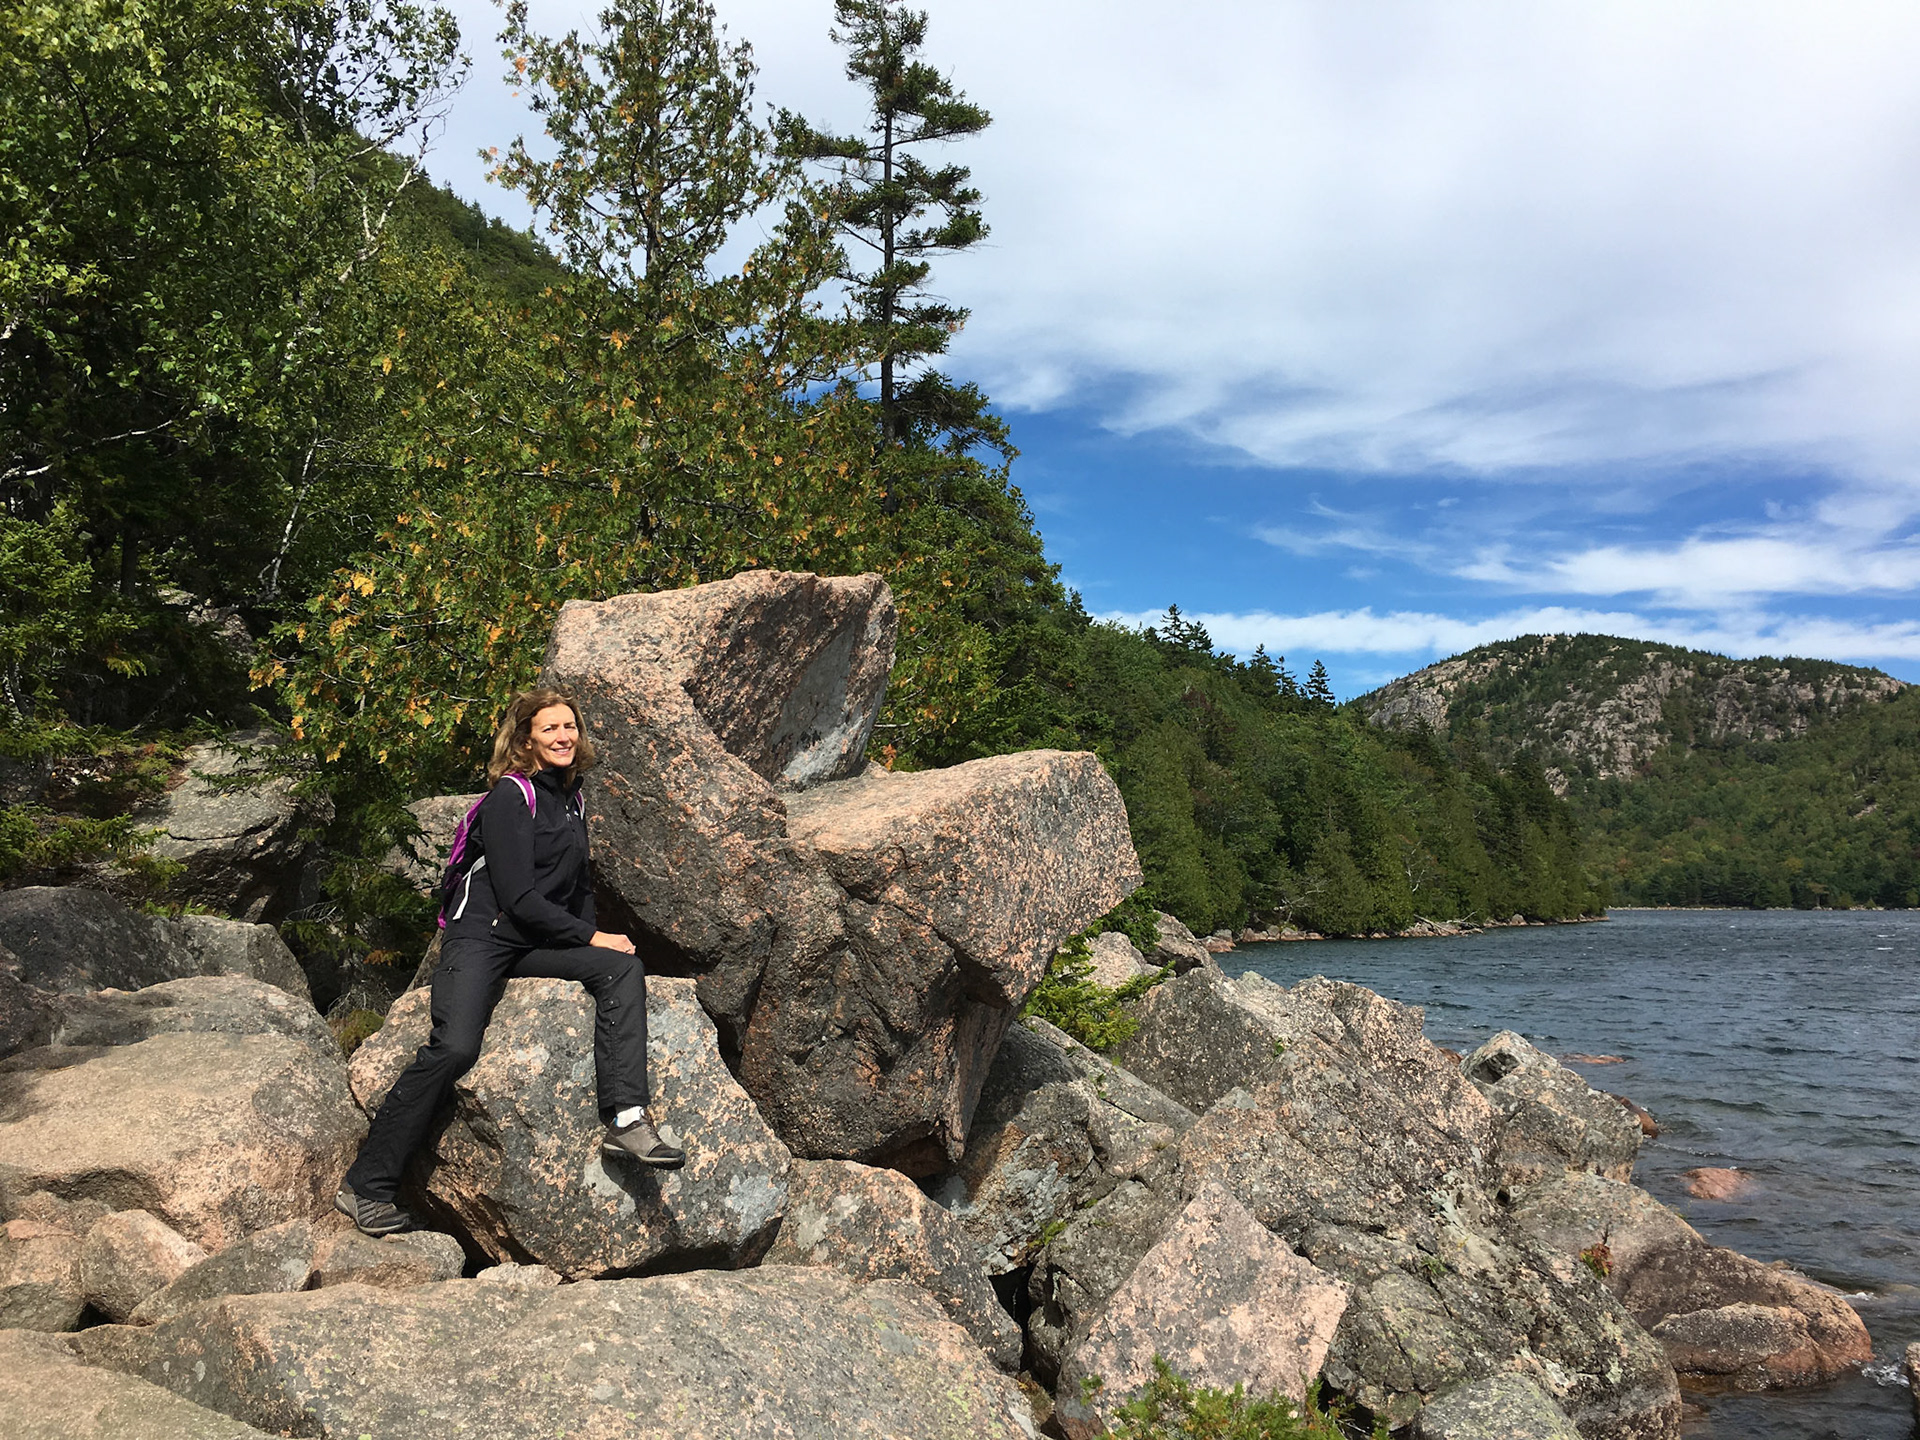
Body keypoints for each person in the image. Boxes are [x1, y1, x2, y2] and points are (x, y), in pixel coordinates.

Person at [335, 689, 685, 1237]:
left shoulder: (572, 800)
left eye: (570, 726)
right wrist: (593, 935)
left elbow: (576, 889)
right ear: (525, 741)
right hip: (481, 938)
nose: (564, 737)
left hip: (531, 942)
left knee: (621, 969)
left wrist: (595, 944)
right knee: (454, 1048)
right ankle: (366, 1186)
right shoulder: (509, 798)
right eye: (550, 729)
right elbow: (519, 896)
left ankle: (626, 1120)